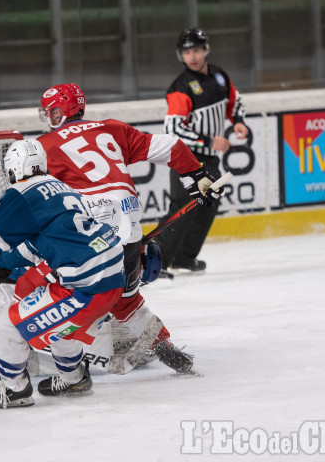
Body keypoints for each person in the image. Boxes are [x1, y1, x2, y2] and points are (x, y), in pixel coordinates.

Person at [34, 82, 221, 374]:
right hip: (128, 223)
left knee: (60, 292)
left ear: (64, 110)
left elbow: (31, 199)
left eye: (53, 111)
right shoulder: (111, 128)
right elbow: (171, 145)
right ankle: (166, 349)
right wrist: (194, 174)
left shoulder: (44, 146)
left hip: (92, 232)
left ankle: (53, 369)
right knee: (127, 301)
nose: (50, 117)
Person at [0, 138, 126, 408]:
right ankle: (75, 379)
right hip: (111, 278)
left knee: (7, 324)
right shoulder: (62, 187)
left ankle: (14, 389)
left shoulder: (23, 193)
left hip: (88, 287)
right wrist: (3, 264)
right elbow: (40, 244)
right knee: (62, 330)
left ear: (13, 169)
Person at [158, 27, 249, 274]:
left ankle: (184, 258)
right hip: (185, 156)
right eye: (187, 52)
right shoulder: (181, 87)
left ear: (205, 50)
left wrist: (238, 120)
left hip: (208, 157)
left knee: (209, 203)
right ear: (181, 55)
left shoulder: (219, 76)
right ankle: (157, 263)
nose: (193, 56)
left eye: (196, 50)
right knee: (182, 205)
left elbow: (235, 100)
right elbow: (173, 128)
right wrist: (209, 141)